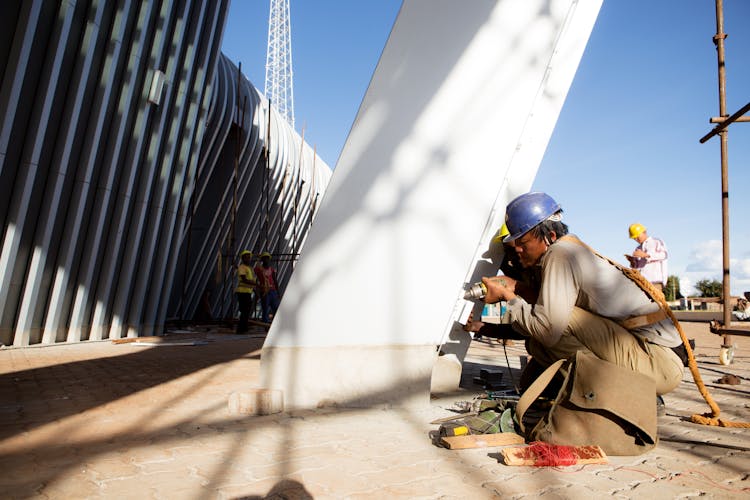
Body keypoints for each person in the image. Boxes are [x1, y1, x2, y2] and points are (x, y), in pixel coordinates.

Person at [481, 192, 684, 397]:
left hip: (659, 362)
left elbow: (546, 329)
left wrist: (509, 297)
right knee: (539, 340)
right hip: (655, 357)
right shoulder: (570, 251)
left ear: (550, 237)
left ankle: (623, 404)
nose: (518, 251)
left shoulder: (559, 254)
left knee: (555, 325)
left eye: (523, 244)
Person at [626, 223, 668, 292]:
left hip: (655, 282)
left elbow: (664, 255)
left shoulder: (656, 242)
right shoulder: (638, 248)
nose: (636, 239)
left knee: (655, 302)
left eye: (637, 236)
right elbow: (637, 267)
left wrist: (646, 255)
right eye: (634, 238)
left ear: (644, 232)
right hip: (642, 283)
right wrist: (633, 262)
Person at [235, 250, 259, 333]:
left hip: (248, 292)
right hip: (242, 292)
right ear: (243, 258)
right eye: (246, 257)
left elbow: (251, 280)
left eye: (249, 257)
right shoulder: (242, 267)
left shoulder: (250, 268)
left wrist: (255, 288)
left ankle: (244, 328)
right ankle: (241, 329)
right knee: (244, 310)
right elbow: (244, 279)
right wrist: (255, 284)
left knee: (246, 310)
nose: (248, 259)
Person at [255, 252, 280, 323]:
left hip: (273, 291)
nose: (266, 259)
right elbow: (256, 269)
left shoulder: (271, 269)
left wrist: (278, 292)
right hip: (265, 291)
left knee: (276, 308)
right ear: (262, 260)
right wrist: (258, 259)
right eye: (264, 258)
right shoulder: (259, 269)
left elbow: (275, 280)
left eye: (267, 258)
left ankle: (275, 324)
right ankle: (265, 324)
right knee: (265, 308)